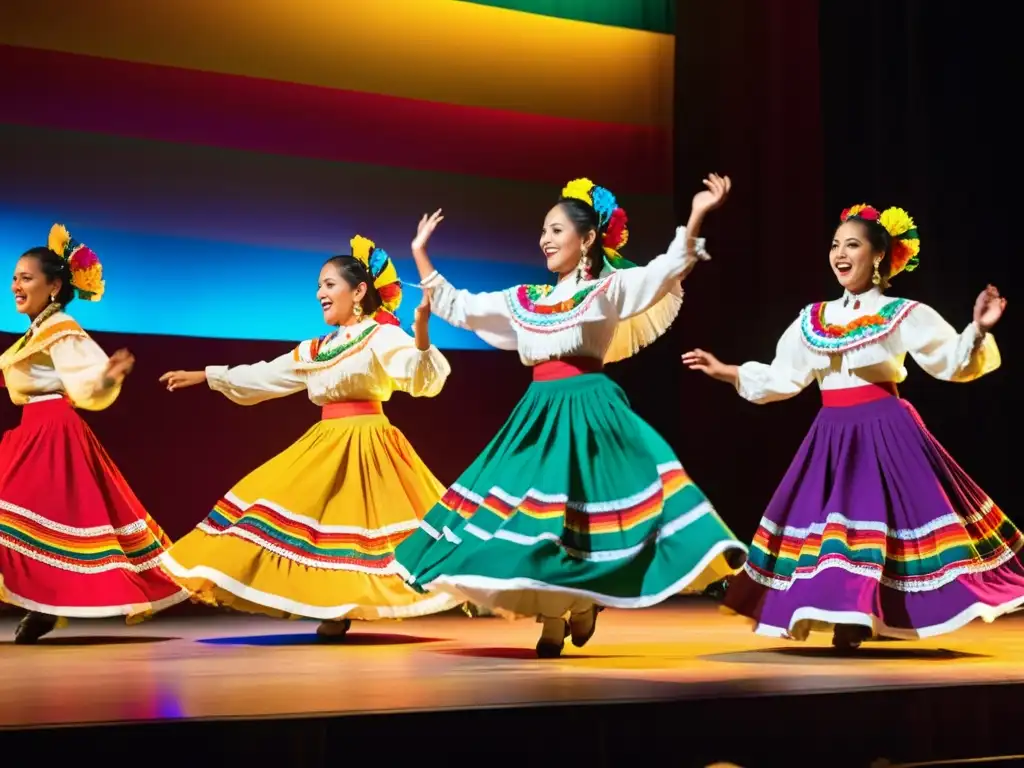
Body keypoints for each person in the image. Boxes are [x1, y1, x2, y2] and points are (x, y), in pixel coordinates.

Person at [392, 175, 747, 658]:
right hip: (538, 415)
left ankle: (576, 604)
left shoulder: (609, 289)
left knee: (580, 520)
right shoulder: (527, 302)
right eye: (543, 230)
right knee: (534, 521)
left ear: (588, 239)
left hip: (590, 411)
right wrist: (420, 252)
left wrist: (699, 213)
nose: (545, 239)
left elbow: (667, 269)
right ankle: (559, 610)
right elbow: (463, 307)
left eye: (556, 230)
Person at [683, 203, 1024, 648]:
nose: (840, 253)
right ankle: (847, 613)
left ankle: (864, 614)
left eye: (853, 244)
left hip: (886, 430)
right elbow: (786, 376)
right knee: (835, 525)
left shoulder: (901, 312)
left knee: (882, 525)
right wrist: (729, 371)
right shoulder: (813, 319)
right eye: (835, 245)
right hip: (832, 433)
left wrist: (977, 329)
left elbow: (949, 361)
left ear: (879, 255)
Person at [157, 235, 460, 638]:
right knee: (310, 521)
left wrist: (420, 338)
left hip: (369, 443)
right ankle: (332, 606)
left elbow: (418, 375)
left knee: (366, 531)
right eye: (319, 286)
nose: (320, 293)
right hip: (326, 441)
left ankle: (354, 606)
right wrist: (208, 375)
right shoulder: (316, 349)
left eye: (329, 284)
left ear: (359, 292)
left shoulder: (381, 334)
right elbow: (266, 374)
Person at [0, 224, 189, 643]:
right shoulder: (34, 333)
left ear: (53, 287)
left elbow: (85, 381)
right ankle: (42, 604)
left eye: (26, 278)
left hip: (52, 435)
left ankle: (44, 605)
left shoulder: (60, 328)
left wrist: (106, 376)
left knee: (37, 520)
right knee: (32, 524)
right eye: (14, 277)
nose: (15, 285)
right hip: (30, 432)